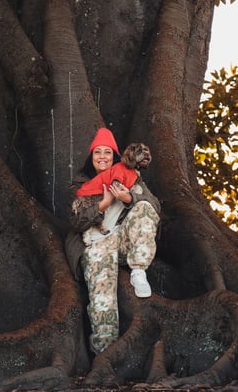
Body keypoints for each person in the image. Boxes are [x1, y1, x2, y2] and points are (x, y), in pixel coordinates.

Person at [64, 128, 160, 355]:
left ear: (115, 156)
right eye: (97, 152)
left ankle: (139, 270)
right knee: (102, 297)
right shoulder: (80, 185)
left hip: (123, 241)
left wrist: (129, 198)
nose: (102, 157)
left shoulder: (129, 175)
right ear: (91, 156)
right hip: (95, 244)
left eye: (107, 152)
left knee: (144, 207)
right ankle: (105, 353)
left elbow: (154, 206)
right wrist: (103, 204)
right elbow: (76, 221)